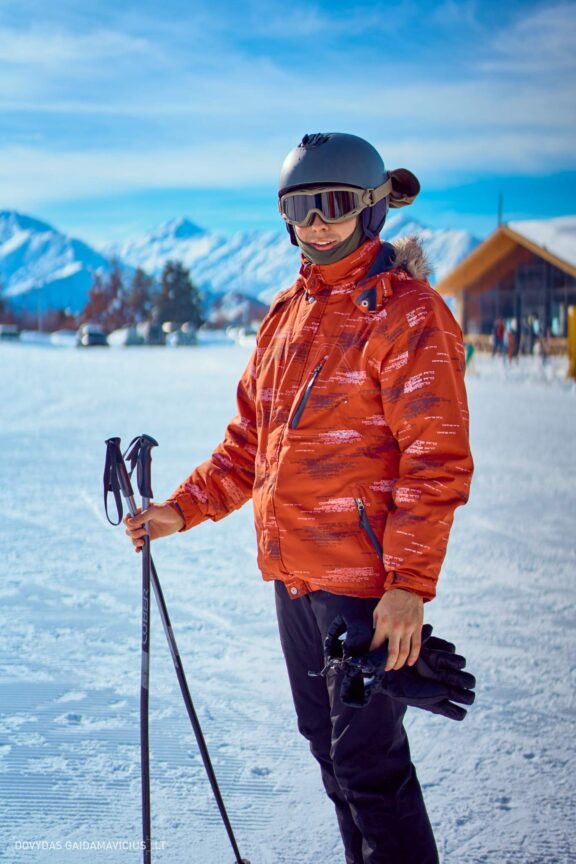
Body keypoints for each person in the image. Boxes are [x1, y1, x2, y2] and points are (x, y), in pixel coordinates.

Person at [124, 132, 474, 864]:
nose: (316, 223)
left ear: (371, 208)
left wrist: (407, 586)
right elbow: (250, 443)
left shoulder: (408, 313)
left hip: (363, 588)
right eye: (299, 207)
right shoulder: (288, 312)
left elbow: (434, 462)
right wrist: (182, 509)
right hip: (296, 581)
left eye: (334, 204)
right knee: (330, 753)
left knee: (370, 769)